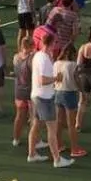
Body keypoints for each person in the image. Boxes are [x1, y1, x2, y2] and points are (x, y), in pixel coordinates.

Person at [27, 29, 72, 168]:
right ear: (51, 43)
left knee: (36, 125)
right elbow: (42, 80)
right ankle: (57, 160)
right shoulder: (44, 59)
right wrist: (55, 78)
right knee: (51, 129)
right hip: (44, 97)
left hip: (36, 95)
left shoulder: (39, 55)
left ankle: (32, 154)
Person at [56, 43, 85, 158]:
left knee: (59, 122)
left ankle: (58, 145)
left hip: (58, 92)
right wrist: (82, 91)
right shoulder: (73, 65)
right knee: (71, 124)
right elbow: (77, 79)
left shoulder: (56, 63)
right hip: (69, 93)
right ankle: (74, 149)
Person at [10, 36, 33, 147]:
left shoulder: (16, 57)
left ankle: (16, 139)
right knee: (33, 118)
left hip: (19, 90)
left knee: (19, 116)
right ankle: (35, 141)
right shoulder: (31, 59)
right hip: (30, 91)